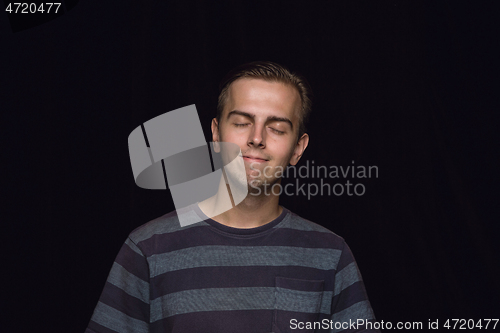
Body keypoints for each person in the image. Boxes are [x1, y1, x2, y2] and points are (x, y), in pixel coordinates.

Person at [85, 61, 379, 333]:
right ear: (215, 133)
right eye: (241, 123)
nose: (257, 137)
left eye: (277, 128)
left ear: (298, 149)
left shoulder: (331, 255)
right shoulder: (147, 249)